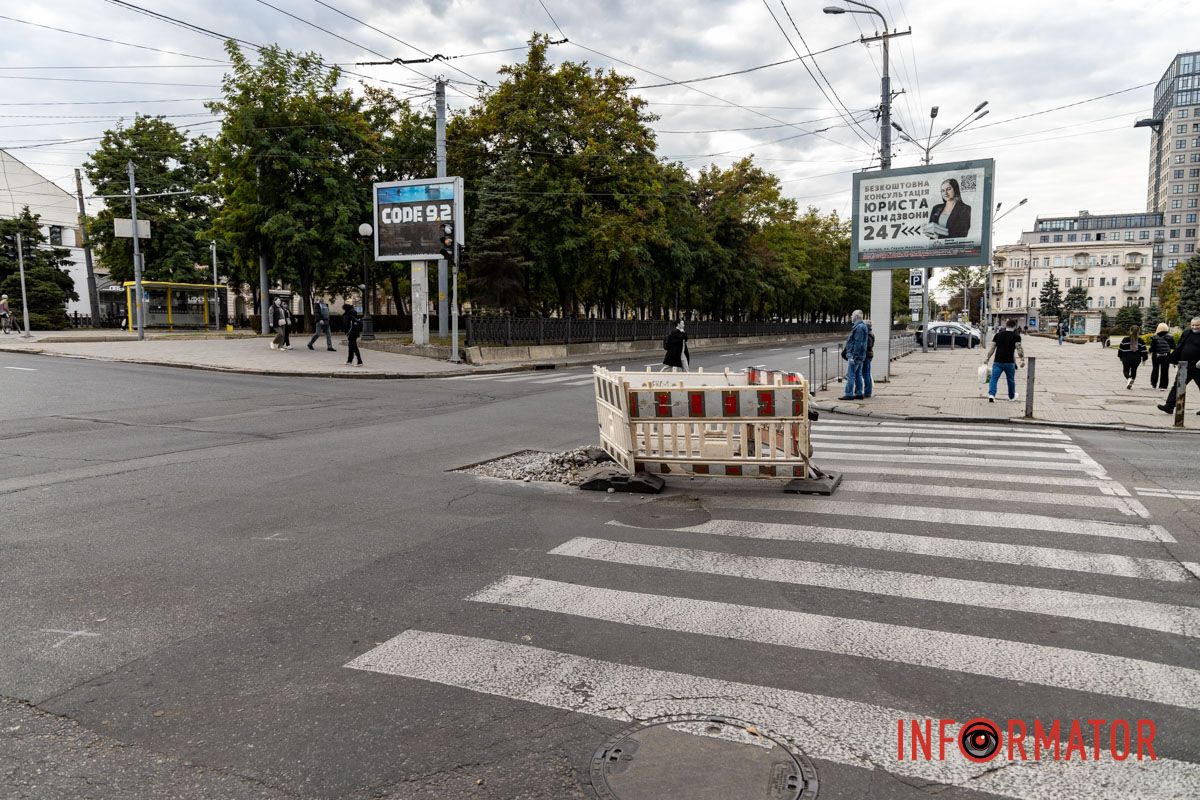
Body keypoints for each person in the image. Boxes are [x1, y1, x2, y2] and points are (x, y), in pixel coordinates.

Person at [1157, 317, 1200, 415]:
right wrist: (1175, 360)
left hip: (1198, 367)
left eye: (1197, 325)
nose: (1194, 327)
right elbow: (1180, 346)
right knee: (1177, 385)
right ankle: (1169, 406)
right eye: (1193, 325)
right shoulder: (1187, 333)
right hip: (1184, 365)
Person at [983, 317, 1025, 402]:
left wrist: (987, 358)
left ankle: (991, 394)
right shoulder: (1016, 336)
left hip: (997, 361)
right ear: (1015, 326)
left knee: (994, 379)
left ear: (1006, 325)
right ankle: (1011, 396)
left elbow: (992, 348)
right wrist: (1022, 359)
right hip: (1009, 362)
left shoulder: (998, 335)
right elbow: (1019, 349)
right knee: (1010, 380)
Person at [839, 310, 869, 400]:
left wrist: (853, 356)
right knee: (858, 375)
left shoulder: (859, 327)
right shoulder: (863, 326)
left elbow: (857, 343)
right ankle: (859, 393)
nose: (851, 317)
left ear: (856, 316)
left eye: (852, 315)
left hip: (855, 356)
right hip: (860, 356)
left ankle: (849, 394)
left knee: (850, 375)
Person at [1117, 325, 1148, 390]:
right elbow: (1144, 350)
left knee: (1126, 370)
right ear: (1138, 331)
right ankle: (1131, 381)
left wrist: (1120, 356)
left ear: (1130, 331)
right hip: (1136, 358)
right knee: (1134, 370)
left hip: (1126, 358)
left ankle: (1129, 378)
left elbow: (1120, 349)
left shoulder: (1125, 339)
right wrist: (1144, 358)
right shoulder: (1140, 340)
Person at [1149, 322, 1174, 390]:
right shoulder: (1170, 337)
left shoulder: (1154, 337)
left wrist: (1150, 351)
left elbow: (1152, 347)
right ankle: (1163, 386)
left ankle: (1154, 384)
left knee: (1155, 369)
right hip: (1166, 355)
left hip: (1156, 355)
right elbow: (1173, 347)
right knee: (1165, 370)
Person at [862, 320, 875, 399]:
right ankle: (868, 392)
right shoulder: (870, 333)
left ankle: (867, 392)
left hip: (867, 355)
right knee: (867, 373)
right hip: (869, 355)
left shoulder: (868, 334)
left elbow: (868, 345)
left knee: (866, 374)